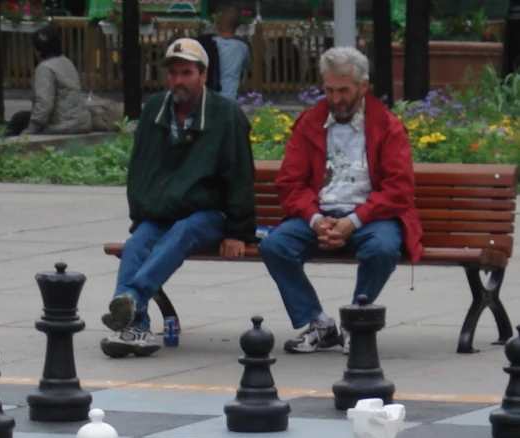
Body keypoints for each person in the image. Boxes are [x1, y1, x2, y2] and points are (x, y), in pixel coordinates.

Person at [258, 46, 423, 354]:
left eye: (344, 90)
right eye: (329, 90)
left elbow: (399, 189)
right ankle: (318, 323)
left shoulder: (388, 125)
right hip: (320, 215)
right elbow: (290, 183)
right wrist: (315, 219)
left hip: (372, 218)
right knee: (275, 246)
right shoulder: (309, 122)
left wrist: (354, 220)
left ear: (363, 86)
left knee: (382, 249)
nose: (336, 99)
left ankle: (354, 323)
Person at [100, 38, 256, 358]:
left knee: (186, 229)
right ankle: (136, 330)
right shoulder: (156, 108)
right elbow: (140, 168)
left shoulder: (226, 114)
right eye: (173, 73)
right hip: (162, 212)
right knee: (137, 244)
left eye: (186, 72)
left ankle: (132, 300)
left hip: (209, 214)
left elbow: (241, 176)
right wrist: (142, 213)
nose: (178, 80)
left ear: (203, 75)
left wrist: (238, 232)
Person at [5, 26, 92, 136]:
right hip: (81, 121)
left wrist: (30, 130)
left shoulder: (45, 68)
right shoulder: (67, 62)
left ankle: (4, 149)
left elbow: (44, 103)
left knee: (18, 121)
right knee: (22, 117)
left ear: (38, 52)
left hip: (63, 124)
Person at [213, 7, 252, 100]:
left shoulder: (210, 43)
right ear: (237, 26)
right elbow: (248, 65)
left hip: (210, 95)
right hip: (230, 96)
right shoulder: (242, 47)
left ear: (219, 23)